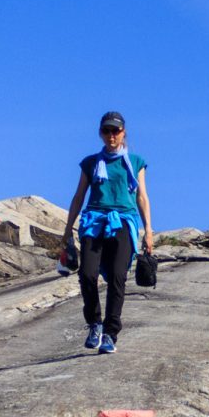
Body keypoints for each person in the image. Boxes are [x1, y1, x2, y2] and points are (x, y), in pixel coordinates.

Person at [62, 110, 154, 354]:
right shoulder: (91, 163)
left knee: (117, 276)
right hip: (94, 220)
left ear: (123, 132)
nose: (111, 135)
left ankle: (111, 333)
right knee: (87, 274)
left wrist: (148, 230)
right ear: (100, 133)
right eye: (107, 131)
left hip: (124, 220)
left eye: (116, 131)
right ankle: (95, 323)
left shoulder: (135, 162)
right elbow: (79, 196)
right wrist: (67, 229)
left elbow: (142, 197)